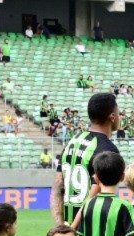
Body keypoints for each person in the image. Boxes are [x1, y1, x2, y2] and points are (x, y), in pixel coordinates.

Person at [53, 91, 123, 226]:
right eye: (118, 113)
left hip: (68, 231)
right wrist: (73, 230)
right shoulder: (108, 149)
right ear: (112, 117)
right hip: (90, 232)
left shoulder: (72, 142)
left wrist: (60, 227)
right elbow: (94, 197)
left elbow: (58, 188)